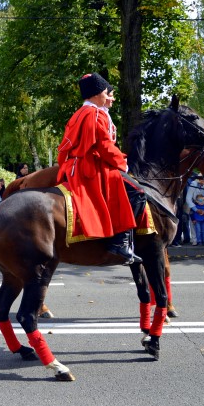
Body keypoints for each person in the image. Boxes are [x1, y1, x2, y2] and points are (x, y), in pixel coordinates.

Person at [56, 73, 143, 264]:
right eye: (105, 92)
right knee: (137, 192)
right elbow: (104, 146)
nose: (107, 96)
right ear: (96, 94)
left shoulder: (80, 113)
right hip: (91, 165)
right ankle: (120, 242)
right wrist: (123, 163)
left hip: (77, 164)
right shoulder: (95, 114)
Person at [185, 174, 204, 245]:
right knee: (193, 223)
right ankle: (195, 240)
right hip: (194, 206)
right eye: (201, 179)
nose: (203, 181)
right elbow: (188, 198)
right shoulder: (193, 185)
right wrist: (195, 209)